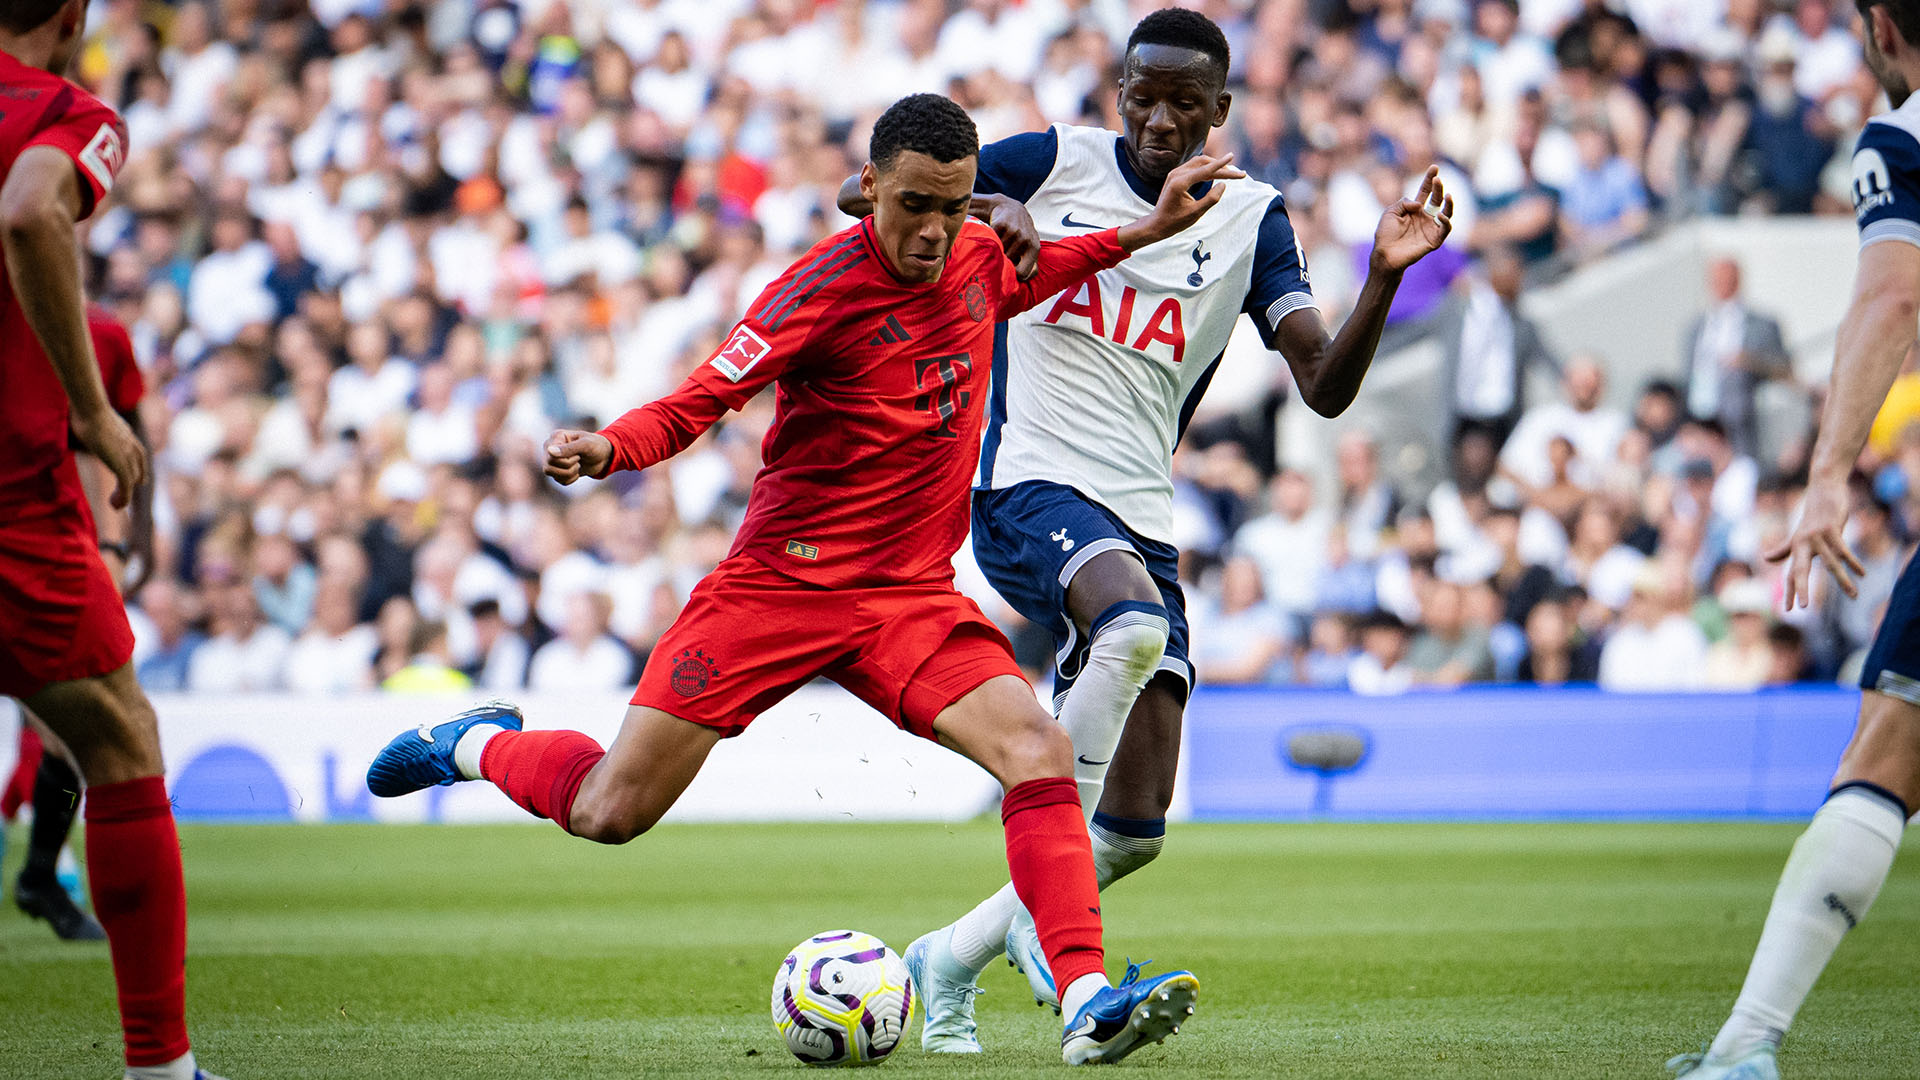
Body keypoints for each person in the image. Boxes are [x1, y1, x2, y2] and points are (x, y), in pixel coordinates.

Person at [366, 92, 1231, 1066]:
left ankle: (1083, 997)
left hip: (907, 597)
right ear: (867, 192)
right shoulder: (816, 290)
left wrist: (1144, 231)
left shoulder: (978, 256)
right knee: (611, 810)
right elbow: (701, 400)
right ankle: (476, 743)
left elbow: (1038, 274)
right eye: (913, 206)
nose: (935, 232)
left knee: (1035, 752)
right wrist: (607, 447)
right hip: (777, 589)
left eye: (955, 207)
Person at [835, 9, 1453, 1051]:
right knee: (1125, 631)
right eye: (1141, 94)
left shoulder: (1252, 219)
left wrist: (1385, 275)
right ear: (1117, 92)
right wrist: (991, 205)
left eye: (1182, 101)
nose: (1158, 118)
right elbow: (867, 191)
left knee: (1132, 831)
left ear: (1221, 111)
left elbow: (1324, 387)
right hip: (1026, 488)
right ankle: (1058, 942)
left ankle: (951, 956)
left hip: (1140, 520)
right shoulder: (1051, 160)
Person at [1670, 4, 1920, 1077]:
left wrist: (1825, 479)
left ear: (1876, 23)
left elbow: (1892, 295)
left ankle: (1746, 1046)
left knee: (1887, 748)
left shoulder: (1901, 136)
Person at [0, 0, 226, 1076]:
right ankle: (161, 1066)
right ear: (73, 12)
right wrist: (93, 414)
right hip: (10, 506)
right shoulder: (65, 114)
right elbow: (33, 211)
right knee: (119, 742)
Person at [6, 305, 147, 943]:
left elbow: (118, 449)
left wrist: (125, 545)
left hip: (50, 550)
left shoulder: (101, 335)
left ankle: (40, 873)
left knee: (79, 733)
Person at [1681, 257, 1793, 459]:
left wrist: (1749, 361)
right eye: (1716, 280)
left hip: (1743, 414)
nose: (1721, 285)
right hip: (1703, 413)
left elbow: (1785, 367)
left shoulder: (1762, 324)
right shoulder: (1697, 326)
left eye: (1726, 279)